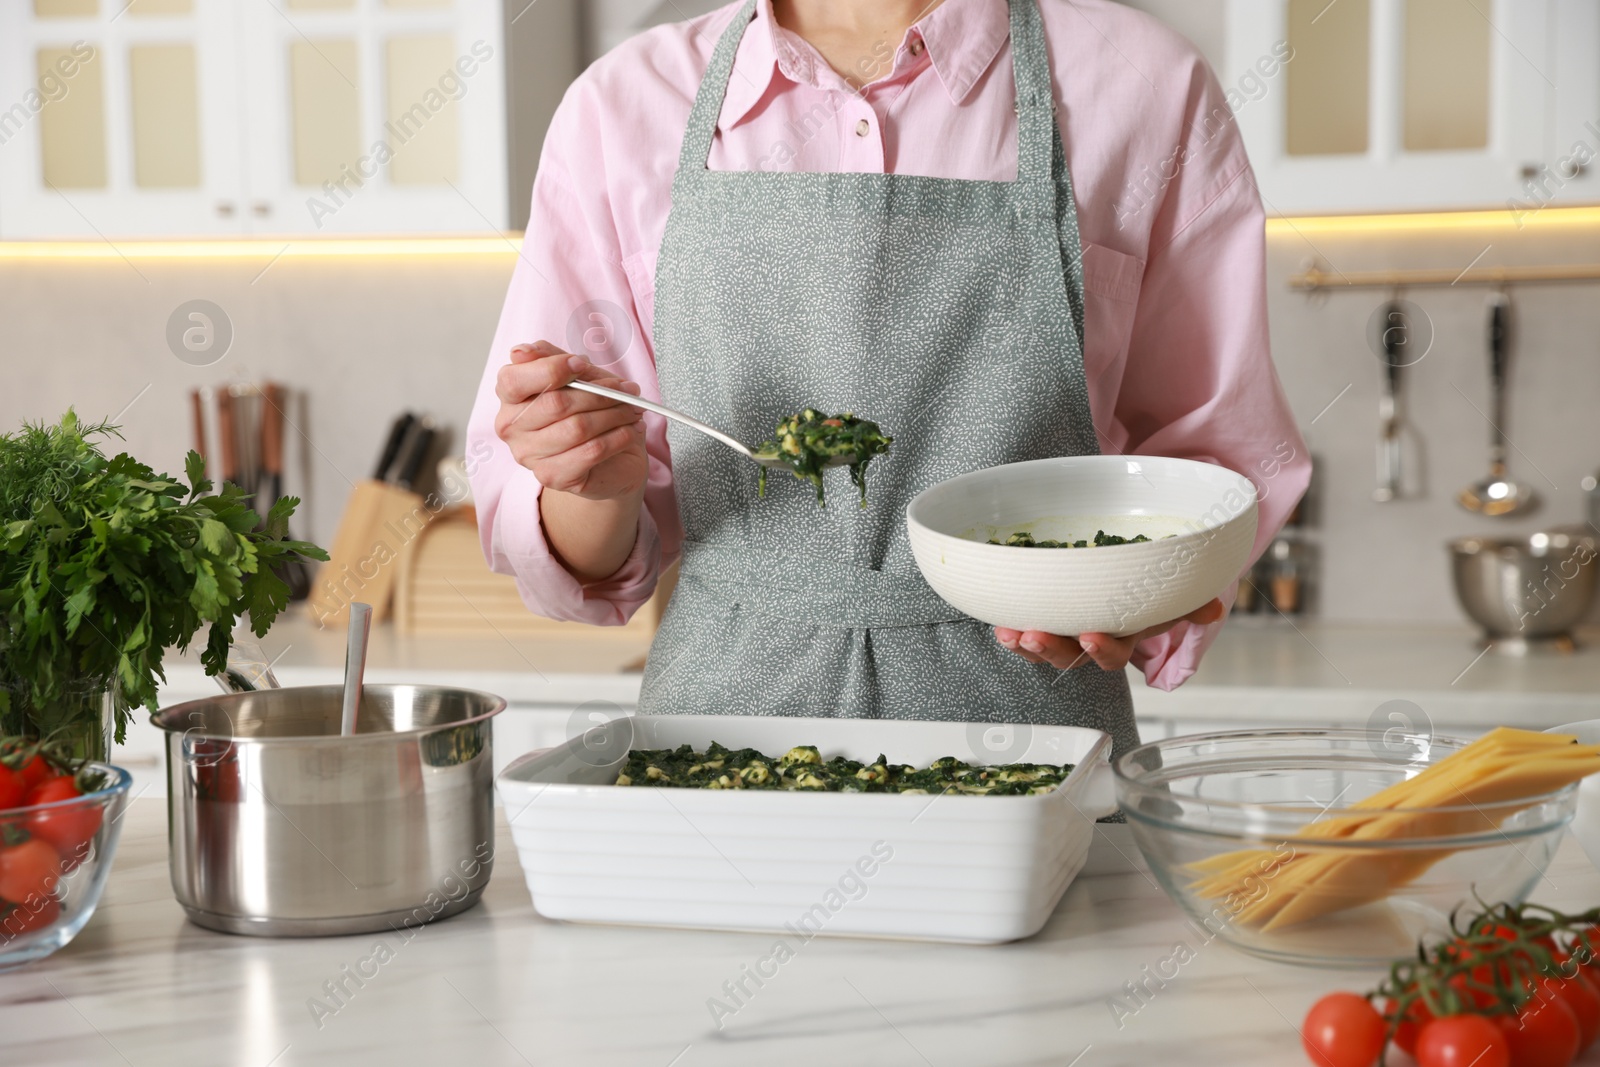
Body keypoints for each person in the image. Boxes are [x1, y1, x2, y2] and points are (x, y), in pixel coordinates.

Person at [467, 0, 1310, 760]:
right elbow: (582, 544)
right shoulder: (622, 107)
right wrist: (591, 479)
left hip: (1033, 735)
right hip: (718, 748)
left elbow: (1215, 462)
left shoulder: (1143, 84)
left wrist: (1137, 594)